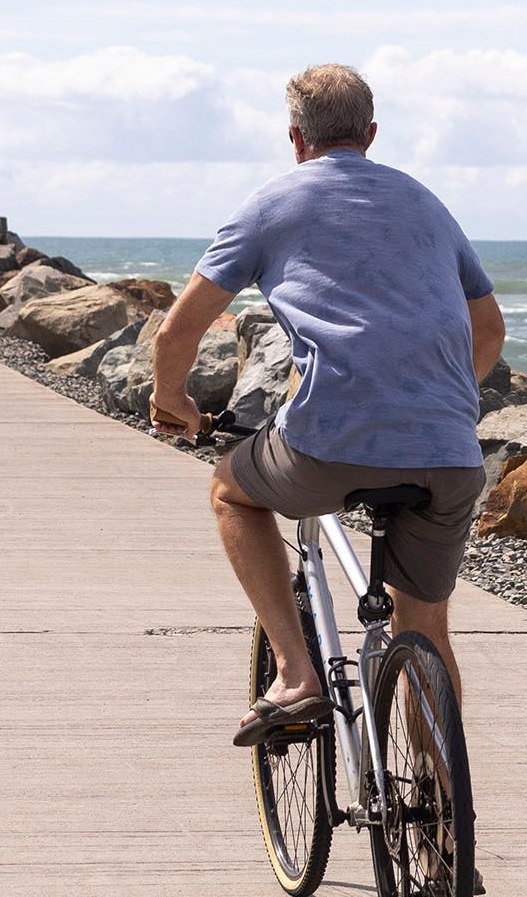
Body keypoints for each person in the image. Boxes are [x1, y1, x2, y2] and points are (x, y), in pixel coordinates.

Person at [148, 63, 506, 751]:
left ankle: (294, 674)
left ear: (294, 138)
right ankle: (442, 836)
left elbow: (177, 332)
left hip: (326, 442)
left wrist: (173, 404)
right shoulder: (427, 204)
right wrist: (445, 398)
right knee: (424, 627)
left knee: (232, 490)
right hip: (449, 453)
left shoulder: (268, 205)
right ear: (371, 133)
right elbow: (488, 329)